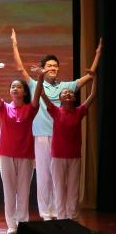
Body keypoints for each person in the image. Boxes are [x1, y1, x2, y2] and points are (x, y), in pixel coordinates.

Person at [11, 30, 100, 220]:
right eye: (49, 65)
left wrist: (98, 56)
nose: (53, 68)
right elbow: (20, 68)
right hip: (42, 135)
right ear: (43, 68)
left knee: (59, 177)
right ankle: (46, 212)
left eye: (55, 66)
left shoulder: (65, 87)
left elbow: (88, 78)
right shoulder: (36, 84)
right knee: (44, 175)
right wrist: (14, 44)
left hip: (62, 139)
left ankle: (62, 213)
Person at [35, 67, 98, 221]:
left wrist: (94, 78)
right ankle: (61, 218)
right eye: (64, 93)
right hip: (57, 157)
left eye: (70, 92)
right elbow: (42, 94)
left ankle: (71, 217)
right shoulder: (55, 111)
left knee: (73, 189)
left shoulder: (79, 111)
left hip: (74, 156)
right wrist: (40, 77)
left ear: (74, 97)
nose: (68, 93)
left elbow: (93, 95)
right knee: (59, 189)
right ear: (60, 99)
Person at [0, 64, 37, 234]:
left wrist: (41, 78)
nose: (15, 89)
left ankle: (22, 222)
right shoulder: (4, 108)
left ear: (24, 92)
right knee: (9, 190)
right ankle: (11, 224)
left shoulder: (30, 109)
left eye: (18, 87)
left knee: (23, 190)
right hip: (7, 154)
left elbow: (37, 96)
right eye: (12, 87)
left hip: (26, 154)